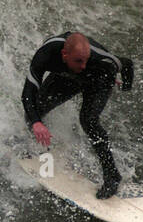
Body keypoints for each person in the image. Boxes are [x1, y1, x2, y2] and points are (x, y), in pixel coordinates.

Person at [21, 31, 134, 199]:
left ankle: (112, 176)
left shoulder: (101, 60)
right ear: (64, 54)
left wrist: (124, 86)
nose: (83, 65)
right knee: (35, 110)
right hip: (67, 76)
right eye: (79, 60)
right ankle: (35, 148)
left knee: (88, 121)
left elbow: (127, 63)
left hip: (99, 78)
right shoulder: (46, 54)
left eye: (85, 60)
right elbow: (28, 93)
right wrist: (37, 123)